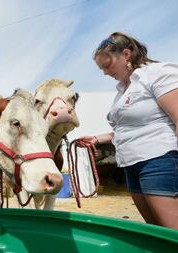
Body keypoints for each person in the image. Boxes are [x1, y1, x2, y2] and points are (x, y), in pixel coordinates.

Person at [78, 32, 178, 229]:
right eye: (102, 69)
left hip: (158, 160)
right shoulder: (124, 89)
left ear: (126, 55)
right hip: (131, 164)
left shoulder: (157, 73)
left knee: (171, 231)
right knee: (155, 230)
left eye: (107, 65)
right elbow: (127, 130)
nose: (105, 73)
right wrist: (97, 139)